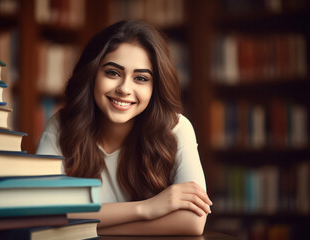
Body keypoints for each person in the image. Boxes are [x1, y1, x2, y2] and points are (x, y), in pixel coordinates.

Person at [36, 20, 212, 235]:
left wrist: (84, 225)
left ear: (155, 87)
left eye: (140, 78)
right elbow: (43, 211)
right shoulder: (62, 125)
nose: (124, 89)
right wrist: (146, 208)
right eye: (113, 73)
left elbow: (193, 222)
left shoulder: (176, 128)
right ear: (92, 75)